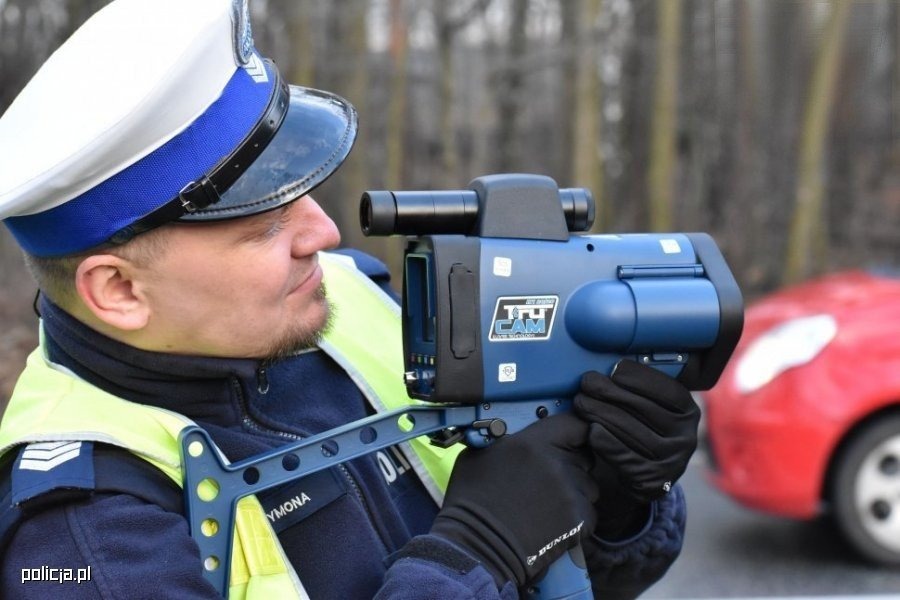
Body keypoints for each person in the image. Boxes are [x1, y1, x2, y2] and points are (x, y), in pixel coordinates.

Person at [0, 0, 700, 598]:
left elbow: (583, 564)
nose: (323, 232)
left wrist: (617, 502)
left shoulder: (347, 300)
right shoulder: (88, 533)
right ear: (119, 290)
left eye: (297, 191)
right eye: (266, 225)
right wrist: (475, 558)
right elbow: (492, 550)